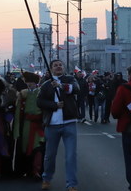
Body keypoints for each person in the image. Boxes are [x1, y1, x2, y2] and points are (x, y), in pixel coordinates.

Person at [37, 59, 79, 191]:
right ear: (51, 69)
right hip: (52, 124)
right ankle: (46, 179)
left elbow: (76, 89)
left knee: (71, 155)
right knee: (50, 155)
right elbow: (40, 101)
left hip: (69, 123)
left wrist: (61, 85)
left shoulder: (70, 79)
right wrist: (54, 105)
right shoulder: (46, 85)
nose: (58, 67)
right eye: (55, 65)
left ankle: (71, 184)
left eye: (60, 65)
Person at [13, 71, 44, 180]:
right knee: (25, 148)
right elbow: (18, 112)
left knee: (38, 148)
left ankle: (37, 171)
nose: (29, 84)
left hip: (38, 126)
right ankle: (26, 170)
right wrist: (16, 129)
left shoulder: (41, 93)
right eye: (28, 82)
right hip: (26, 125)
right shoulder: (23, 93)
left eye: (31, 82)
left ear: (36, 83)